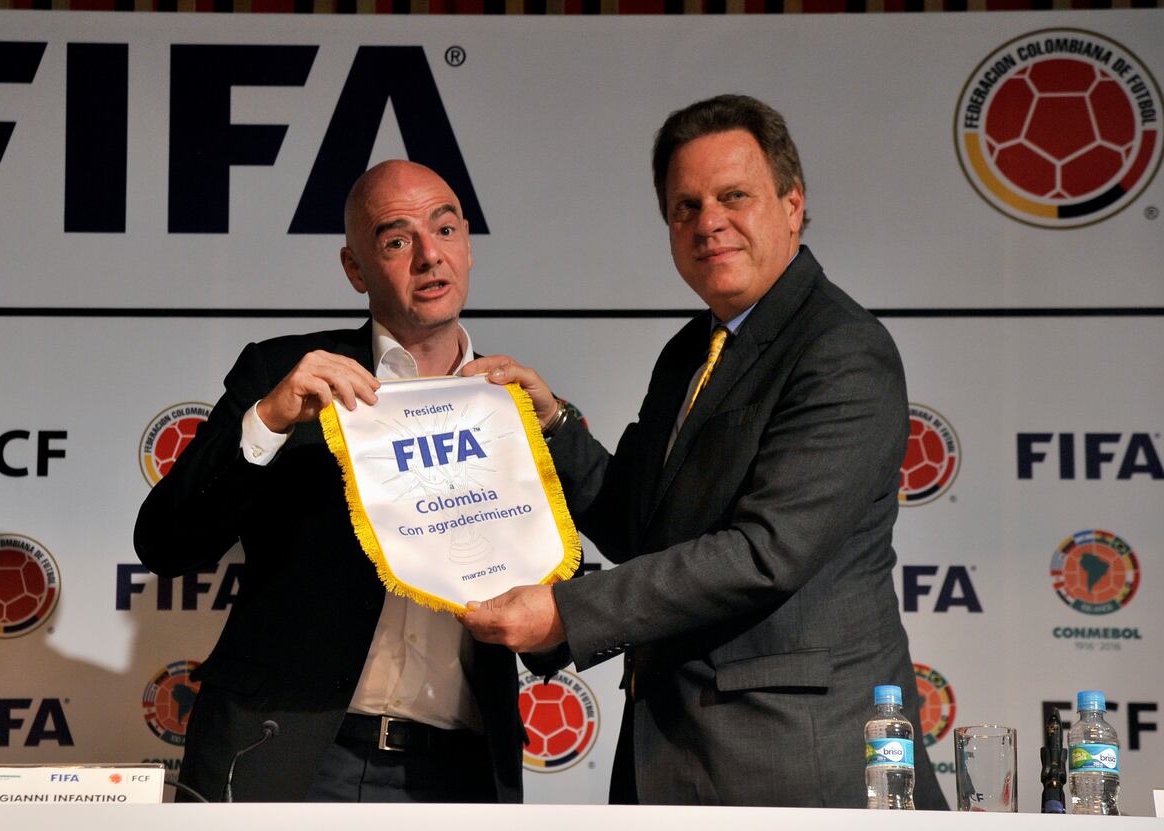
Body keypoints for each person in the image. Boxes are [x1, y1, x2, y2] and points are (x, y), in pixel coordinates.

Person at [459, 95, 949, 809]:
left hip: (790, 762)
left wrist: (567, 612)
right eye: (684, 207)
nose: (707, 222)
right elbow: (640, 525)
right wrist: (554, 425)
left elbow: (765, 552)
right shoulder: (692, 350)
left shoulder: (842, 350)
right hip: (676, 756)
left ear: (791, 203)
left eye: (733, 197)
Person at [135, 160, 561, 803]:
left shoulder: (513, 404)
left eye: (444, 230)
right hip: (289, 753)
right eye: (396, 240)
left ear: (468, 246)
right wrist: (269, 421)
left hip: (457, 772)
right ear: (356, 269)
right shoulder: (286, 374)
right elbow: (166, 544)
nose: (428, 256)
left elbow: (568, 587)